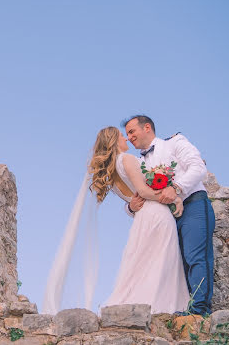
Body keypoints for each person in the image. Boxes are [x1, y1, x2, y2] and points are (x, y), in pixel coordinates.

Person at [90, 126, 190, 314]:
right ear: (113, 140)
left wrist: (130, 207)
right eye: (122, 136)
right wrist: (175, 197)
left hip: (142, 218)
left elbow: (133, 200)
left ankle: (147, 305)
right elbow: (143, 192)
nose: (126, 139)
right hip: (156, 213)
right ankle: (163, 306)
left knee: (144, 262)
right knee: (162, 259)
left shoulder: (110, 173)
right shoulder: (126, 159)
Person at [123, 115, 214, 315]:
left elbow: (198, 167)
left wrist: (176, 187)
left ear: (147, 127)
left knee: (195, 256)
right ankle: (179, 307)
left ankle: (199, 310)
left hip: (193, 205)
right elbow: (137, 195)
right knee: (175, 264)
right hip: (164, 218)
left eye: (131, 132)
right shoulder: (138, 163)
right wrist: (131, 207)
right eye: (127, 134)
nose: (128, 138)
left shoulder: (175, 143)